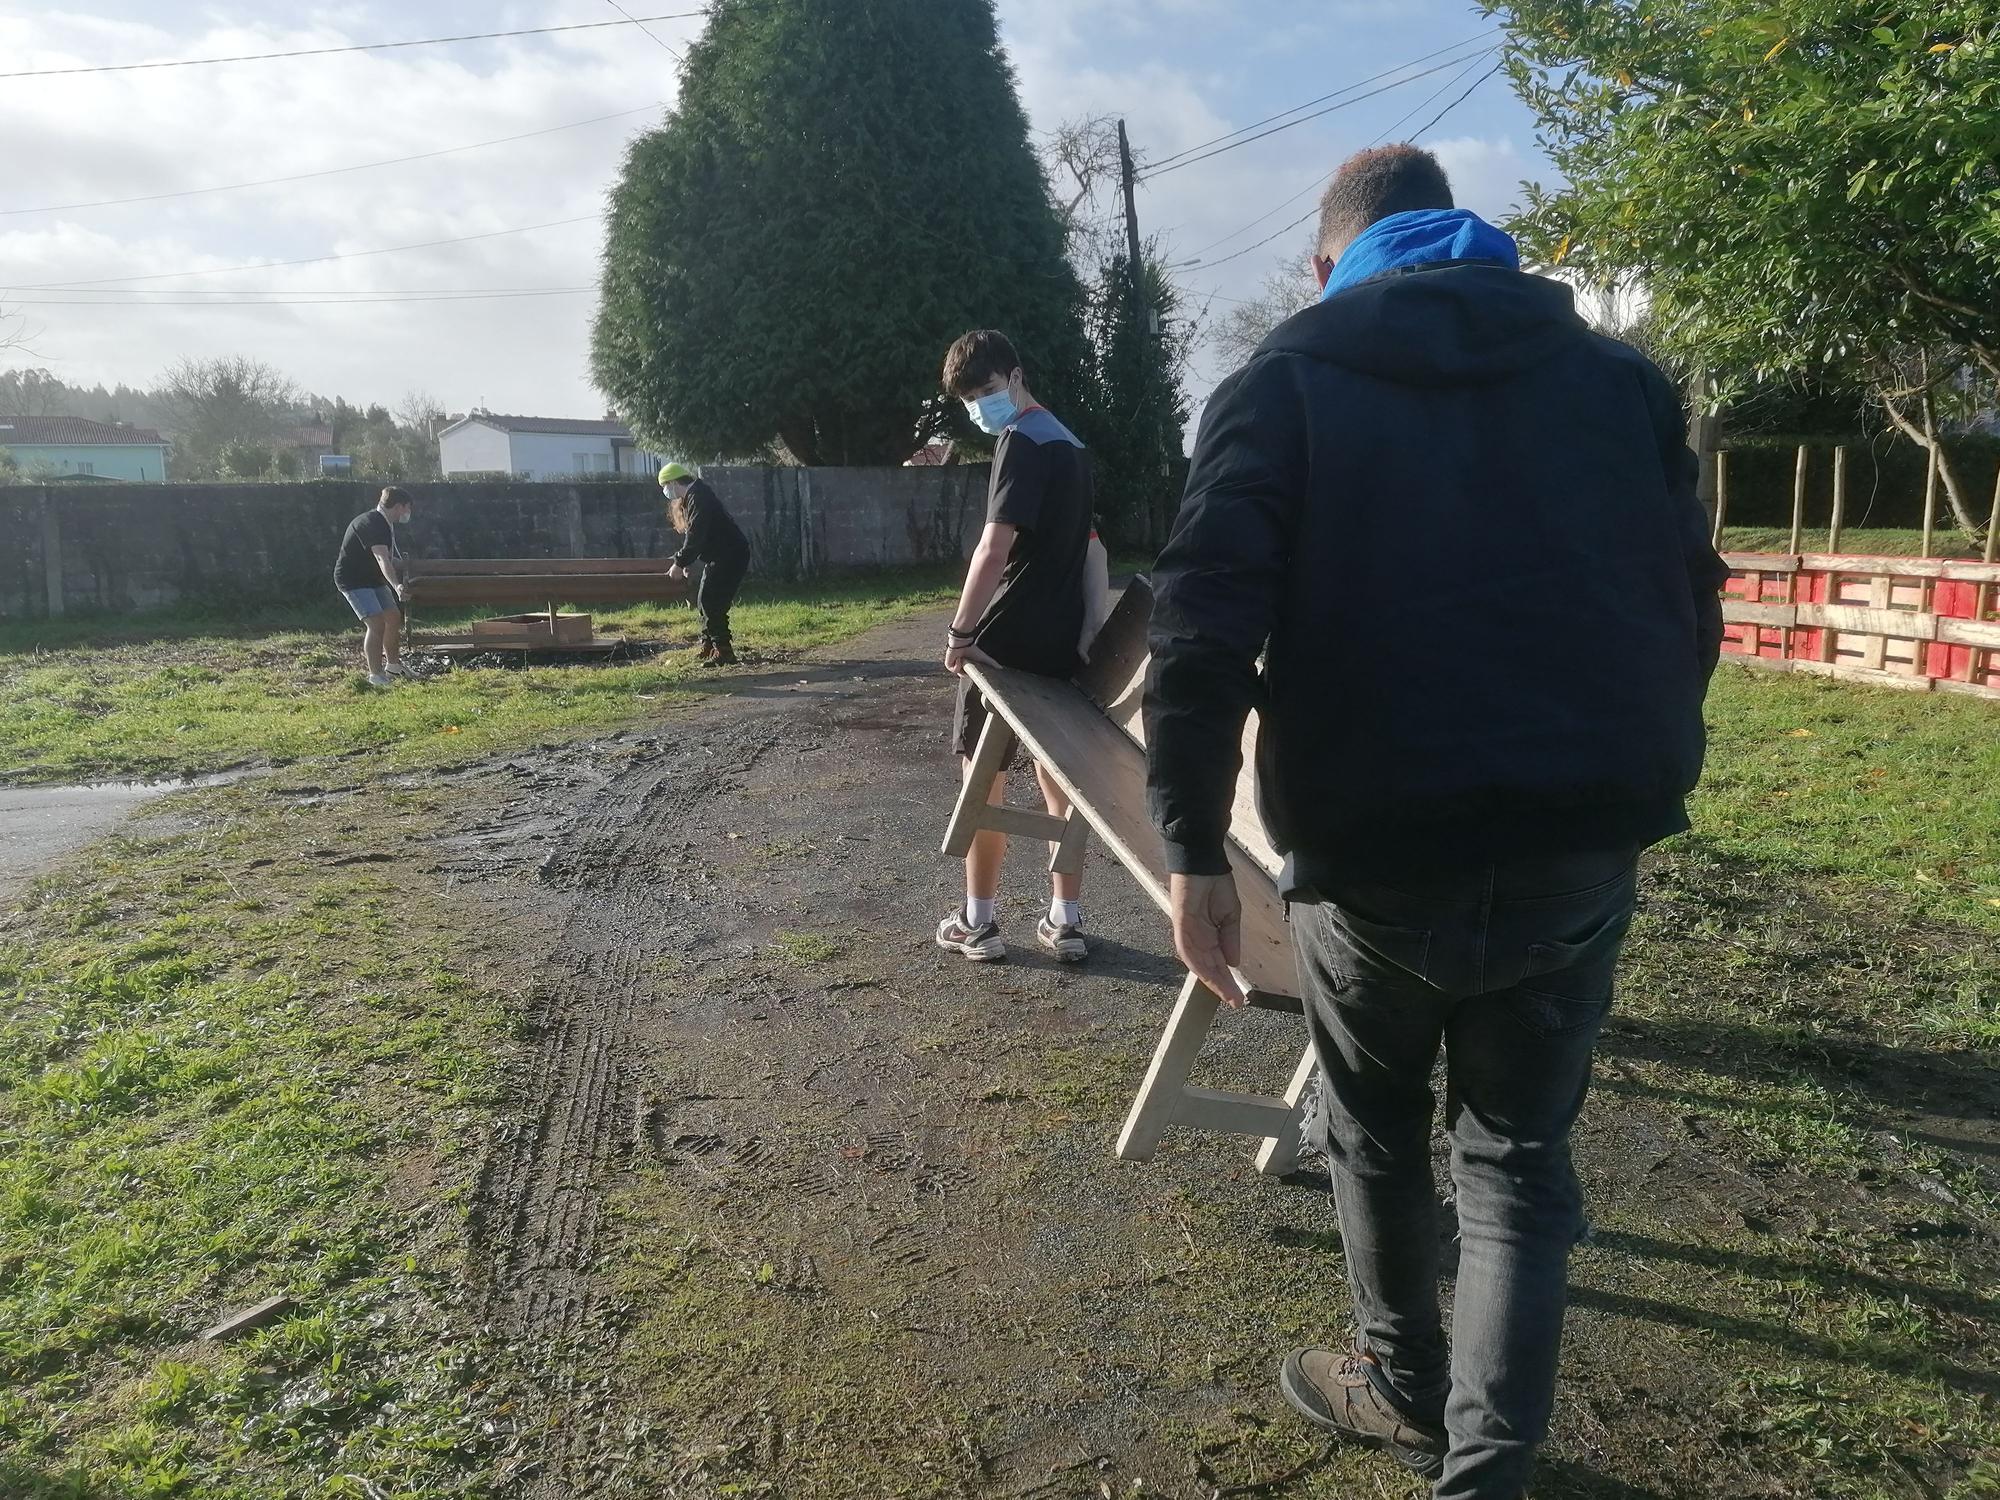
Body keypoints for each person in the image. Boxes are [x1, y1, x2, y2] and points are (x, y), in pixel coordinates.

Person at [1143, 145, 1727, 1499]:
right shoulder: (1622, 384)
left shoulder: (1284, 383)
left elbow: (1199, 632)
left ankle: (1402, 1386)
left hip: (1376, 852)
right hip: (1579, 837)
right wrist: (1627, 764)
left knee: (1379, 1130)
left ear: (1328, 263)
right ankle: (1490, 1473)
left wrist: (1189, 848)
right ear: (1469, 234)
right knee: (1519, 1161)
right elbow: (1690, 601)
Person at [935, 329, 1095, 965]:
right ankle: (1066, 919)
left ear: (1016, 375)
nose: (981, 406)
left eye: (987, 390)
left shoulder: (1020, 441)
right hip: (1059, 639)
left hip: (1003, 642)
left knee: (983, 775)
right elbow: (1093, 547)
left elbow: (992, 549)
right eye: (971, 398)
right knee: (1057, 777)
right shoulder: (1072, 445)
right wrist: (1089, 627)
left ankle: (979, 923)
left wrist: (961, 633)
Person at [660, 463, 751, 666]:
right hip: (724, 554)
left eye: (665, 486)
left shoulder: (698, 497)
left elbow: (696, 535)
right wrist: (689, 561)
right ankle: (709, 644)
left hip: (729, 555)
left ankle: (724, 651)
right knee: (704, 601)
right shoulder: (696, 495)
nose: (666, 492)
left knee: (711, 601)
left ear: (673, 482)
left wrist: (679, 562)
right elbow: (702, 535)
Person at [333, 485, 416, 688]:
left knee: (393, 617)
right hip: (353, 581)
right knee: (376, 623)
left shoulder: (385, 523)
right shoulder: (372, 524)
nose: (408, 513)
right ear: (398, 506)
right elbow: (382, 559)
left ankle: (394, 666)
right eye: (407, 508)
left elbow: (387, 558)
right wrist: (396, 585)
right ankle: (376, 675)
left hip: (372, 579)